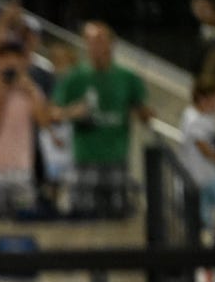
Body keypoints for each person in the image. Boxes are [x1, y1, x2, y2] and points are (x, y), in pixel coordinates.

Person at [50, 20, 154, 219]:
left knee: (118, 218)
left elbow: (143, 112)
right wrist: (71, 112)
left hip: (116, 159)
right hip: (84, 160)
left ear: (111, 43)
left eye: (100, 40)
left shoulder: (127, 77)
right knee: (84, 218)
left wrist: (145, 112)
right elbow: (52, 113)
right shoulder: (75, 77)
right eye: (89, 40)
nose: (95, 45)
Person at [0, 39, 49, 217]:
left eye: (16, 57)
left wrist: (30, 90)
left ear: (24, 61)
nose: (10, 62)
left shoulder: (32, 91)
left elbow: (44, 122)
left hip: (22, 170)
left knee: (25, 220)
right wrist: (2, 91)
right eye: (5, 57)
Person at [179, 78, 215, 244]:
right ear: (204, 98)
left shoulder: (203, 117)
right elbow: (205, 150)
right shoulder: (194, 119)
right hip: (200, 178)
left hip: (207, 176)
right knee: (202, 221)